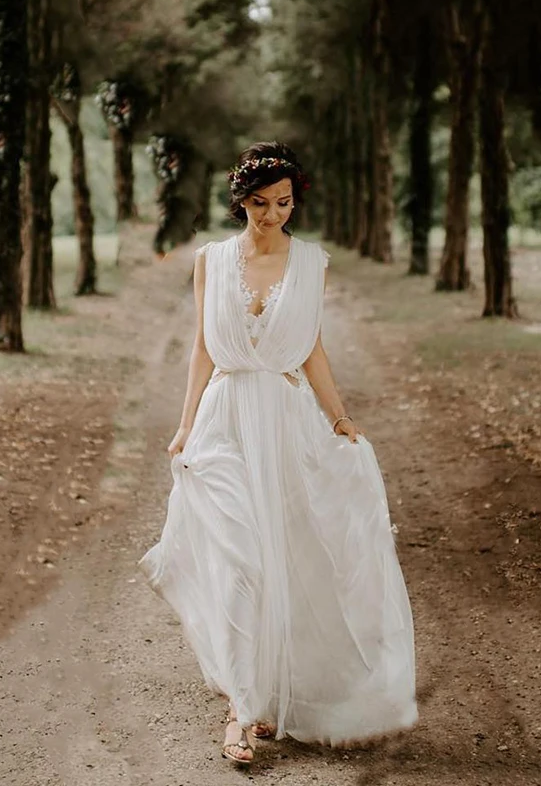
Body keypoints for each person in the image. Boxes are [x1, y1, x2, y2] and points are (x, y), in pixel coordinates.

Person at [137, 141, 417, 766]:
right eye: (260, 204)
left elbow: (312, 346)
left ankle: (270, 690)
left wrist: (338, 416)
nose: (273, 215)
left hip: (287, 419)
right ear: (241, 201)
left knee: (289, 555)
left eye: (284, 203)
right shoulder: (211, 260)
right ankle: (240, 708)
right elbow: (203, 350)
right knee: (239, 559)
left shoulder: (311, 262)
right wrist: (184, 427)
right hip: (224, 419)